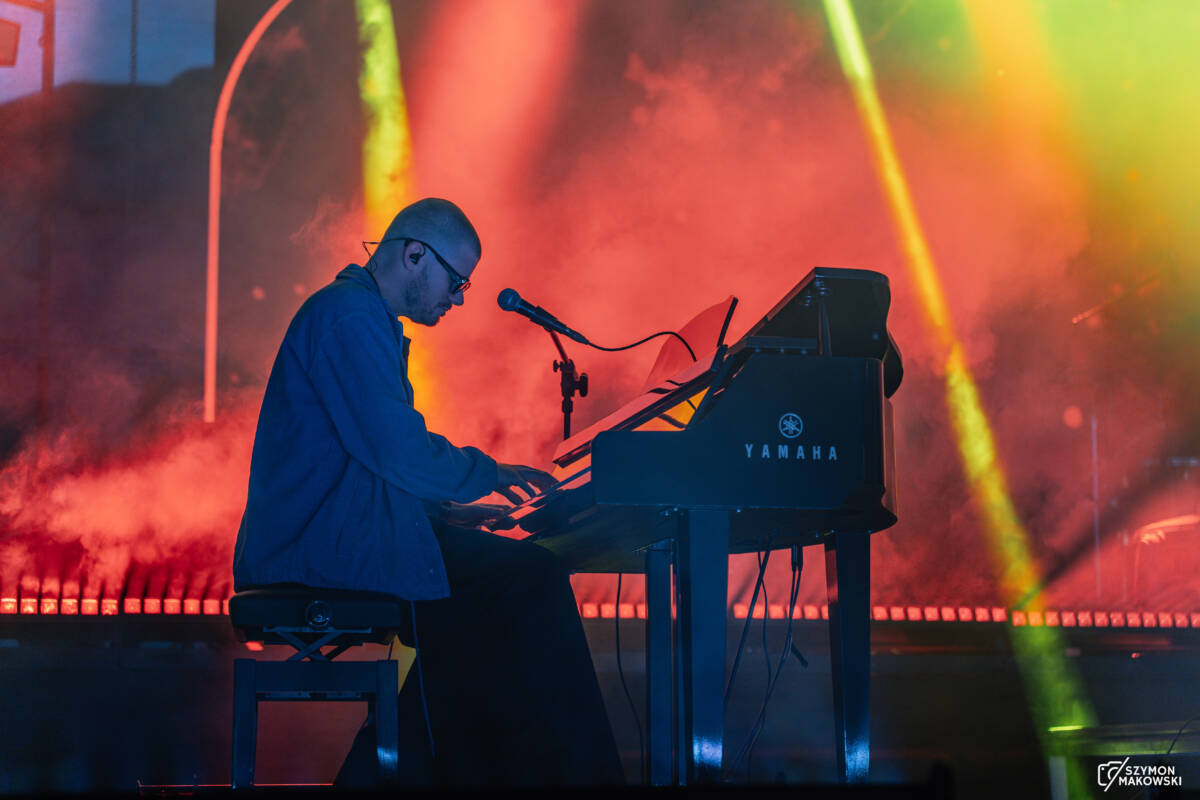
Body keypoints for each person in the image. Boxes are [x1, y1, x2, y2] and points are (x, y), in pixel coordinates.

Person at [232, 198, 624, 786]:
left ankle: (397, 775)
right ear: (415, 254)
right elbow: (398, 451)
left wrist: (445, 514)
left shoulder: (359, 317)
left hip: (339, 535)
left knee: (478, 613)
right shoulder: (348, 316)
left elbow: (368, 464)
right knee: (530, 577)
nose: (459, 298)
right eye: (457, 281)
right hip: (317, 547)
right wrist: (490, 473)